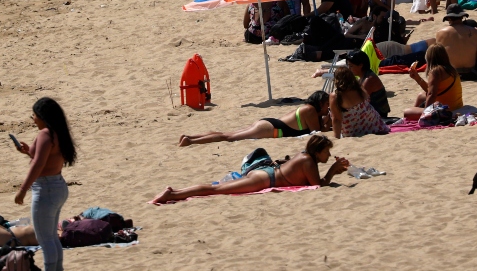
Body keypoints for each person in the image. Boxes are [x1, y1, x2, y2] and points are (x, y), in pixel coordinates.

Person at [154, 134, 349, 203]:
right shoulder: (308, 162)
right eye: (327, 152)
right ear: (318, 151)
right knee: (216, 190)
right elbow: (318, 186)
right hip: (264, 179)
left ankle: (175, 193)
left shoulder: (305, 156)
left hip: (264, 173)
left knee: (216, 188)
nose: (328, 155)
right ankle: (172, 194)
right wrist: (332, 170)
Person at [13, 97, 76, 271]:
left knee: (45, 237)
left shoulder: (45, 134)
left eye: (34, 115)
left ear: (42, 116)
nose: (33, 119)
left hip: (46, 189)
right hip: (58, 185)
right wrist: (28, 151)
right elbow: (45, 158)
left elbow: (38, 165)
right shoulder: (58, 133)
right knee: (51, 236)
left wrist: (22, 190)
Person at [178, 91, 329, 146]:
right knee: (228, 137)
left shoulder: (307, 109)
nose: (328, 108)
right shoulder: (310, 110)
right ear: (321, 103)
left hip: (268, 124)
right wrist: (328, 120)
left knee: (227, 134)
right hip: (271, 128)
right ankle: (190, 141)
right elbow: (316, 131)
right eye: (327, 105)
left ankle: (190, 137)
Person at [329, 67, 389, 138]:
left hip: (353, 131)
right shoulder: (360, 88)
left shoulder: (335, 96)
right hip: (374, 124)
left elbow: (336, 119)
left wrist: (336, 138)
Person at [405, 44, 463, 117]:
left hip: (446, 109)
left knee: (407, 112)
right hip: (457, 106)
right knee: (421, 96)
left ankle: (417, 116)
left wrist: (426, 113)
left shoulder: (436, 71)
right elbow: (431, 90)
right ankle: (416, 115)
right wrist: (417, 77)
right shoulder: (450, 69)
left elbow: (431, 94)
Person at [344, 50, 389, 117]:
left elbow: (356, 101)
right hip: (371, 112)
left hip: (378, 116)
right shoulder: (363, 76)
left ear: (360, 65)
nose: (349, 69)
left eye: (351, 66)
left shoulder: (369, 80)